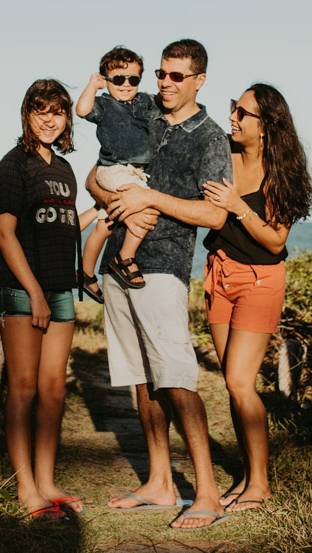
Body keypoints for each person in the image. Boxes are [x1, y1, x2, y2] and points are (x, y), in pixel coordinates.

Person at [90, 39, 233, 530]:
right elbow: (95, 175)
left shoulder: (210, 137)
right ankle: (160, 483)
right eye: (162, 74)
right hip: (118, 263)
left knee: (176, 376)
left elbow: (214, 212)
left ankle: (208, 493)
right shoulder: (144, 112)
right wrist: (111, 196)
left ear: (200, 79)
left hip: (165, 265)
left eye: (177, 76)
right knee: (142, 378)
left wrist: (150, 196)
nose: (165, 84)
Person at [201, 84, 312, 513]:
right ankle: (247, 478)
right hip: (220, 274)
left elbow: (274, 241)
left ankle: (261, 485)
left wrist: (237, 206)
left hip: (259, 281)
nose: (232, 117)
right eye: (233, 109)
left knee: (238, 381)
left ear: (266, 126)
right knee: (234, 387)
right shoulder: (222, 159)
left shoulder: (281, 172)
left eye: (242, 113)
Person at [0, 79, 84, 521]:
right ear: (26, 114)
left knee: (52, 390)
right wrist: (34, 293)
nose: (49, 119)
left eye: (58, 111)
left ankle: (47, 481)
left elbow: (61, 226)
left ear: (67, 117)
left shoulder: (64, 169)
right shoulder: (13, 167)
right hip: (22, 290)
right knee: (24, 389)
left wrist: (102, 217)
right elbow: (6, 234)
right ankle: (27, 489)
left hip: (61, 289)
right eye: (40, 110)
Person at [75, 45, 161, 293]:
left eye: (132, 79)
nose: (126, 84)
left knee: (105, 224)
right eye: (118, 79)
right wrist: (93, 85)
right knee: (145, 204)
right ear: (106, 80)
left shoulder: (144, 101)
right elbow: (81, 110)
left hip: (133, 170)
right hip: (113, 169)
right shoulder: (103, 104)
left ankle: (86, 274)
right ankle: (124, 258)